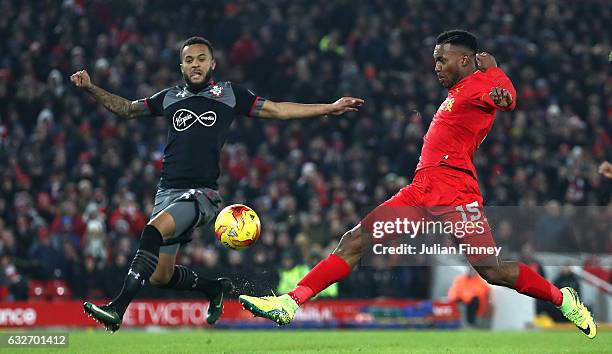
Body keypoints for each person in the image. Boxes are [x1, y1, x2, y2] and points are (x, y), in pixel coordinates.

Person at [239, 30, 597, 339]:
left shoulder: (476, 87)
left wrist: (499, 83)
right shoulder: (463, 88)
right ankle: (290, 302)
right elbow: (496, 91)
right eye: (435, 60)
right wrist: (495, 73)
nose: (437, 66)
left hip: (456, 192)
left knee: (493, 271)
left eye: (443, 59)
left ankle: (564, 300)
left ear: (466, 59)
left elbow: (504, 97)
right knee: (354, 241)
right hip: (423, 189)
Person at [71, 36, 364, 332]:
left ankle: (117, 308)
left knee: (152, 231)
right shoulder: (170, 97)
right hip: (167, 193)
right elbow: (126, 109)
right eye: (189, 60)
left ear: (213, 64)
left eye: (201, 59)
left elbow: (277, 110)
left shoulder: (229, 94)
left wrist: (329, 107)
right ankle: (214, 288)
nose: (195, 64)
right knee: (161, 276)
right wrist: (91, 88)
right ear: (181, 66)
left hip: (202, 194)